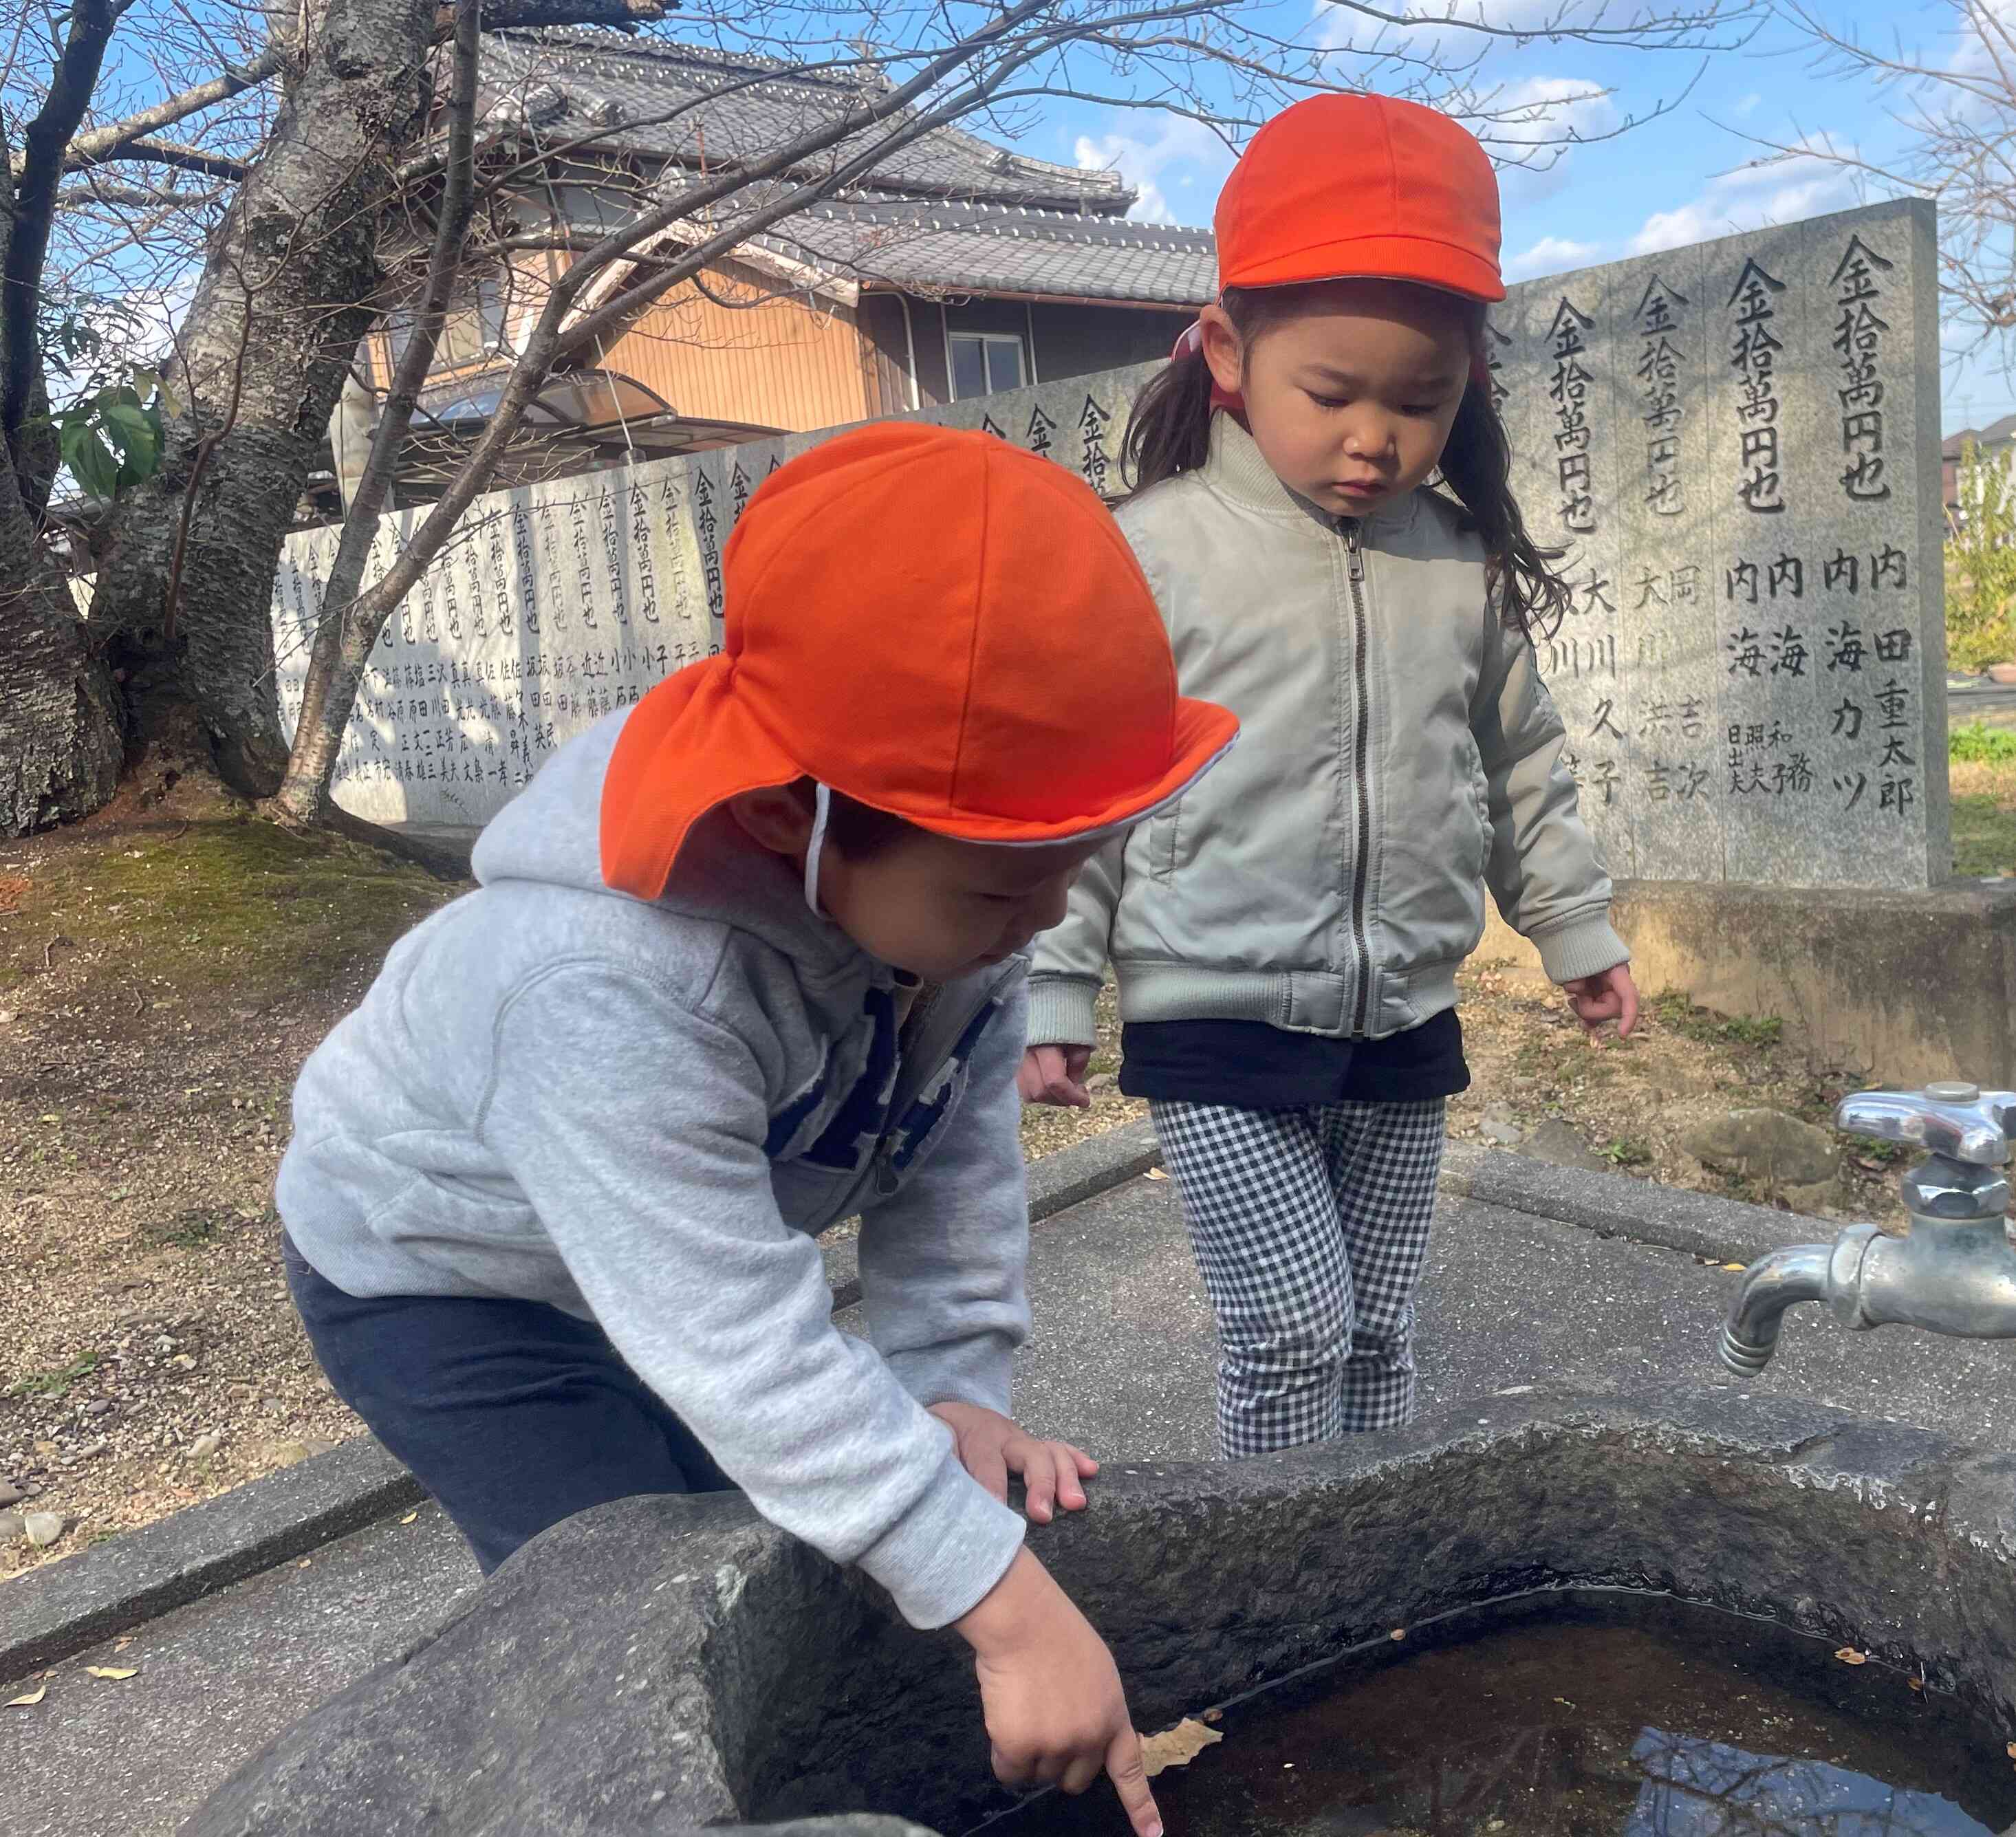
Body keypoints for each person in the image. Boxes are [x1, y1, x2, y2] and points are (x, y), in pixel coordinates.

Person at [275, 421, 1237, 1836]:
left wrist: (955, 1386)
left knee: (789, 1531)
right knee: (628, 1589)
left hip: (659, 1258)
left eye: (1071, 870)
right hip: (444, 1278)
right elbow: (735, 1337)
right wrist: (1011, 1613)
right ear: (806, 810)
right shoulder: (605, 980)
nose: (1036, 929)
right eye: (996, 893)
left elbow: (951, 1172)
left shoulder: (957, 914)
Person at [1020, 93, 1639, 1461]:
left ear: (1463, 385)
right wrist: (1054, 994)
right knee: (1292, 1328)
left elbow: (1517, 759)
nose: (1375, 437)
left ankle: (1370, 1583)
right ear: (1229, 353)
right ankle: (1286, 1598)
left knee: (1378, 1332)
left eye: (1417, 403)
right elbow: (1078, 797)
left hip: (1403, 1010)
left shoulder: (1455, 561)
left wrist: (1571, 930)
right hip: (1215, 1010)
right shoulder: (1151, 553)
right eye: (1332, 393)